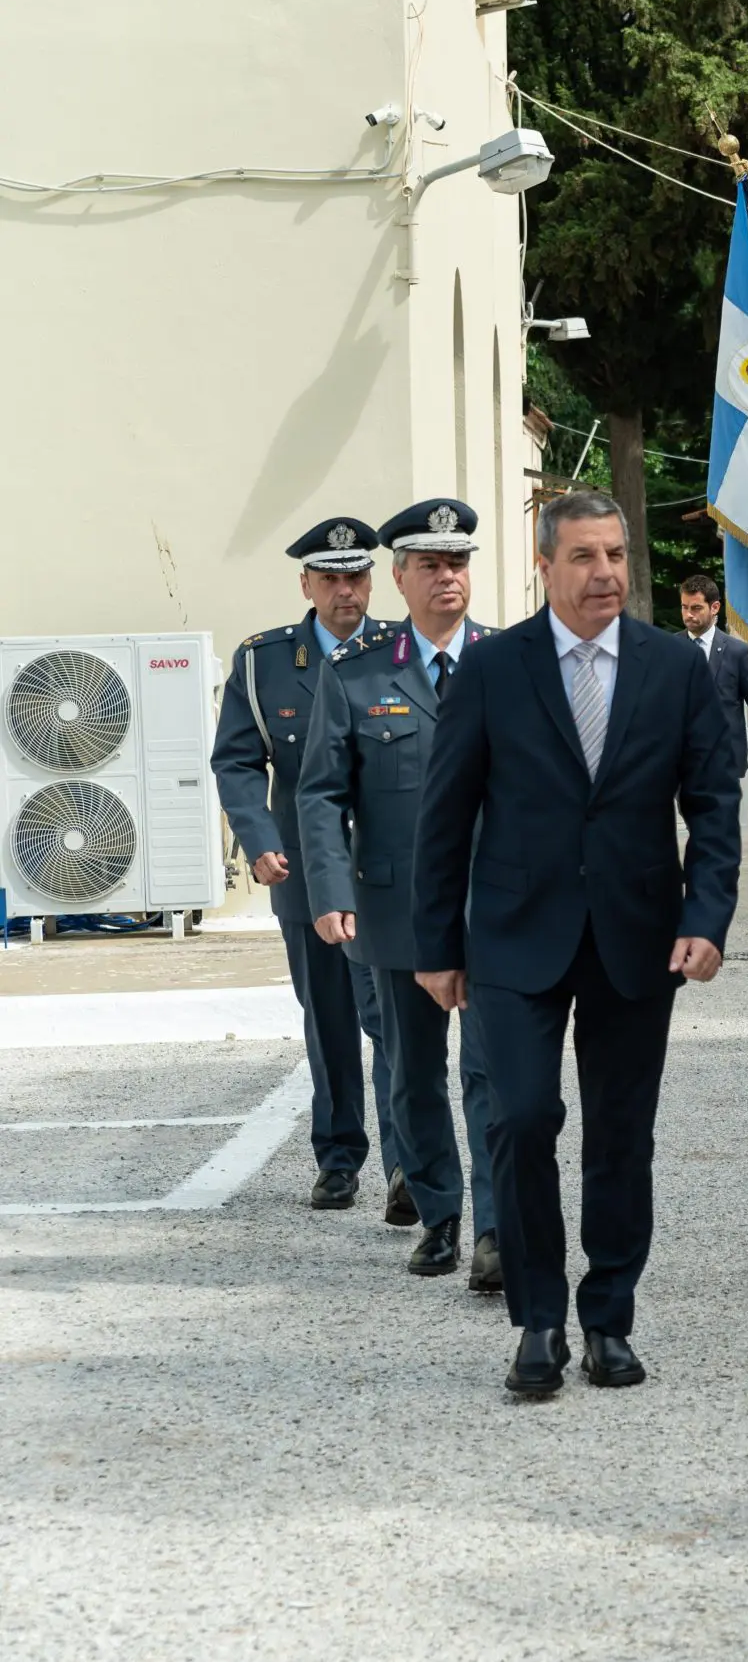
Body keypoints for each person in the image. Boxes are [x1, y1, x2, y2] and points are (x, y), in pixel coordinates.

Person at [411, 490, 742, 1397]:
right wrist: (436, 944)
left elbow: (713, 805)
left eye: (615, 555)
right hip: (515, 938)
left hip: (638, 939)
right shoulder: (493, 668)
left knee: (620, 1134)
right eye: (584, 557)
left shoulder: (674, 669)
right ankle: (536, 1318)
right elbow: (445, 816)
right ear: (544, 566)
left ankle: (608, 1318)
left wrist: (705, 918)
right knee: (519, 1119)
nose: (605, 574)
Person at [299, 499, 501, 1289]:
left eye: (458, 562)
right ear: (400, 578)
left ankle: (494, 1226)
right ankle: (440, 1212)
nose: (448, 576)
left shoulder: (510, 661)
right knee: (413, 1071)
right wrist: (327, 886)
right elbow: (319, 793)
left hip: (497, 905)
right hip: (397, 907)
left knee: (493, 1070)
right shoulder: (358, 674)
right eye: (430, 564)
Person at [210, 517, 403, 1215]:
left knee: (391, 1019)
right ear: (306, 584)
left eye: (357, 576)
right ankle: (340, 1156)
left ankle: (408, 1161)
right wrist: (258, 839)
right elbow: (235, 758)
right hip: (299, 871)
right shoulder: (264, 663)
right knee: (327, 1019)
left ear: (372, 581)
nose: (346, 590)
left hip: (387, 871)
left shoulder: (402, 653)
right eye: (331, 578)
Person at [675, 575, 748, 797]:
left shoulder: (738, 653)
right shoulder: (668, 649)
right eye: (684, 607)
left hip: (726, 764)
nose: (689, 614)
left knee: (724, 829)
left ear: (715, 607)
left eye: (696, 608)